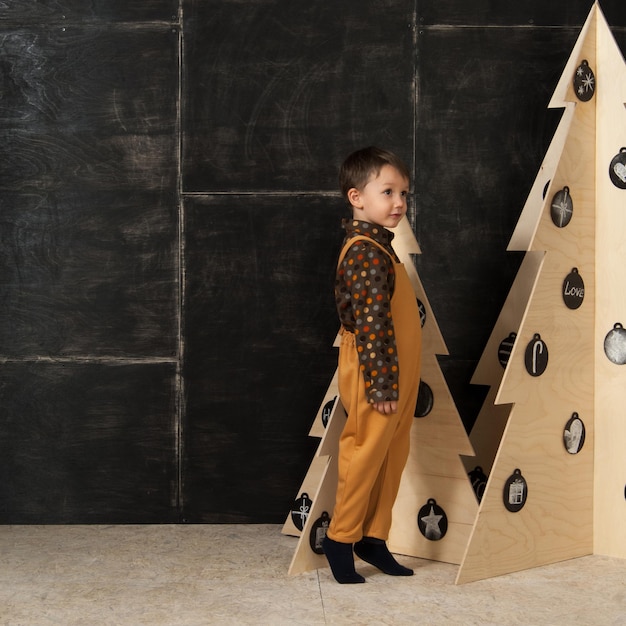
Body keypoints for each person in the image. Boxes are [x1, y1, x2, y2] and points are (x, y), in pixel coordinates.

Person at [322, 146, 423, 584]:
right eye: (388, 191)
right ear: (356, 197)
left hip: (397, 369)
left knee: (392, 455)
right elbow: (371, 322)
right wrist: (381, 386)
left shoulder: (384, 248)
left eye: (403, 193)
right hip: (375, 372)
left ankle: (373, 537)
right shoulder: (364, 251)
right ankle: (341, 537)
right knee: (365, 454)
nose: (398, 202)